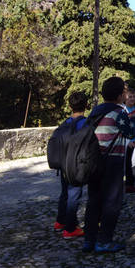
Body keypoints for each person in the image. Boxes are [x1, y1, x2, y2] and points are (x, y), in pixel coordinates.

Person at [83, 77, 135, 253]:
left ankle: (89, 240)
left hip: (93, 159)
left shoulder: (95, 111)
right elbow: (130, 133)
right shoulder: (119, 112)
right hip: (112, 161)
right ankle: (104, 241)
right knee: (112, 201)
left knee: (93, 200)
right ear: (121, 95)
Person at [53, 91, 88, 239]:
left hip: (63, 164)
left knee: (65, 192)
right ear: (86, 106)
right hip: (77, 164)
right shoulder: (85, 123)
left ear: (69, 106)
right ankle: (70, 228)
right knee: (74, 194)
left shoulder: (65, 123)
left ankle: (60, 221)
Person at [123, 87, 135, 193]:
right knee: (126, 163)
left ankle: (132, 183)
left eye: (134, 96)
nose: (132, 99)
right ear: (125, 98)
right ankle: (126, 184)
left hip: (134, 140)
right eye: (130, 96)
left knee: (133, 162)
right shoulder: (122, 109)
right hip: (125, 140)